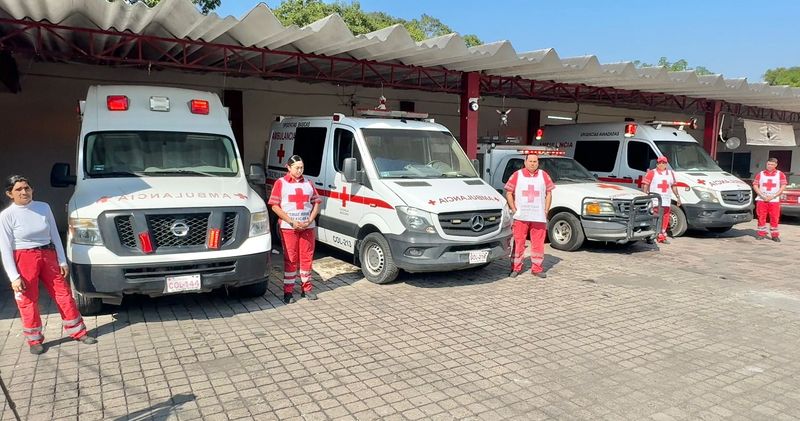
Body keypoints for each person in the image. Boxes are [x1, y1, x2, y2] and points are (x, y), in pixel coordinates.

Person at [0, 175, 97, 355]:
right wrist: (14, 276)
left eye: (26, 188)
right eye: (18, 189)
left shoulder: (43, 208)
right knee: (28, 300)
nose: (24, 192)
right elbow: (5, 248)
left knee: (64, 294)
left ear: (32, 189)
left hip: (48, 255)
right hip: (24, 257)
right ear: (9, 194)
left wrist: (61, 260)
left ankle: (78, 331)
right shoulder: (6, 216)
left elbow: (54, 234)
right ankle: (34, 339)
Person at [268, 155, 322, 303]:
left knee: (306, 258)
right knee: (291, 259)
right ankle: (288, 292)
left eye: (302, 167)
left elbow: (317, 202)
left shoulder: (309, 183)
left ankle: (307, 289)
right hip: (288, 228)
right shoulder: (281, 183)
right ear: (288, 167)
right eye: (297, 167)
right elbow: (274, 206)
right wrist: (291, 222)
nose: (300, 170)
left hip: (307, 227)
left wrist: (310, 219)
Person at [504, 153, 554, 278]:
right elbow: (509, 192)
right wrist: (514, 209)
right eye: (530, 161)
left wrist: (546, 210)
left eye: (535, 161)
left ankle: (537, 269)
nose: (533, 163)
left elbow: (549, 193)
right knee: (519, 242)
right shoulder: (517, 175)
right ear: (525, 162)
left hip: (538, 217)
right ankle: (516, 268)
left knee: (538, 243)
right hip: (521, 216)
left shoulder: (544, 175)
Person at [642, 156, 682, 244]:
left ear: (666, 164)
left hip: (666, 200)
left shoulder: (671, 174)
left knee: (665, 218)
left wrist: (678, 197)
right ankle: (650, 236)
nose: (661, 164)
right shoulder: (652, 172)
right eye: (659, 163)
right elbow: (645, 185)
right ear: (657, 164)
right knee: (654, 217)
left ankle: (662, 236)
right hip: (655, 200)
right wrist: (645, 196)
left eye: (663, 163)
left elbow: (674, 186)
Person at [752, 157, 787, 242]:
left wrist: (774, 195)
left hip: (774, 200)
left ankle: (774, 235)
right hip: (761, 199)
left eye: (772, 164)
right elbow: (755, 185)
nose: (769, 166)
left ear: (776, 165)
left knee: (774, 217)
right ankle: (761, 233)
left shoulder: (780, 174)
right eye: (768, 164)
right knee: (761, 216)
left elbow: (783, 186)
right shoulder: (760, 174)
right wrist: (762, 195)